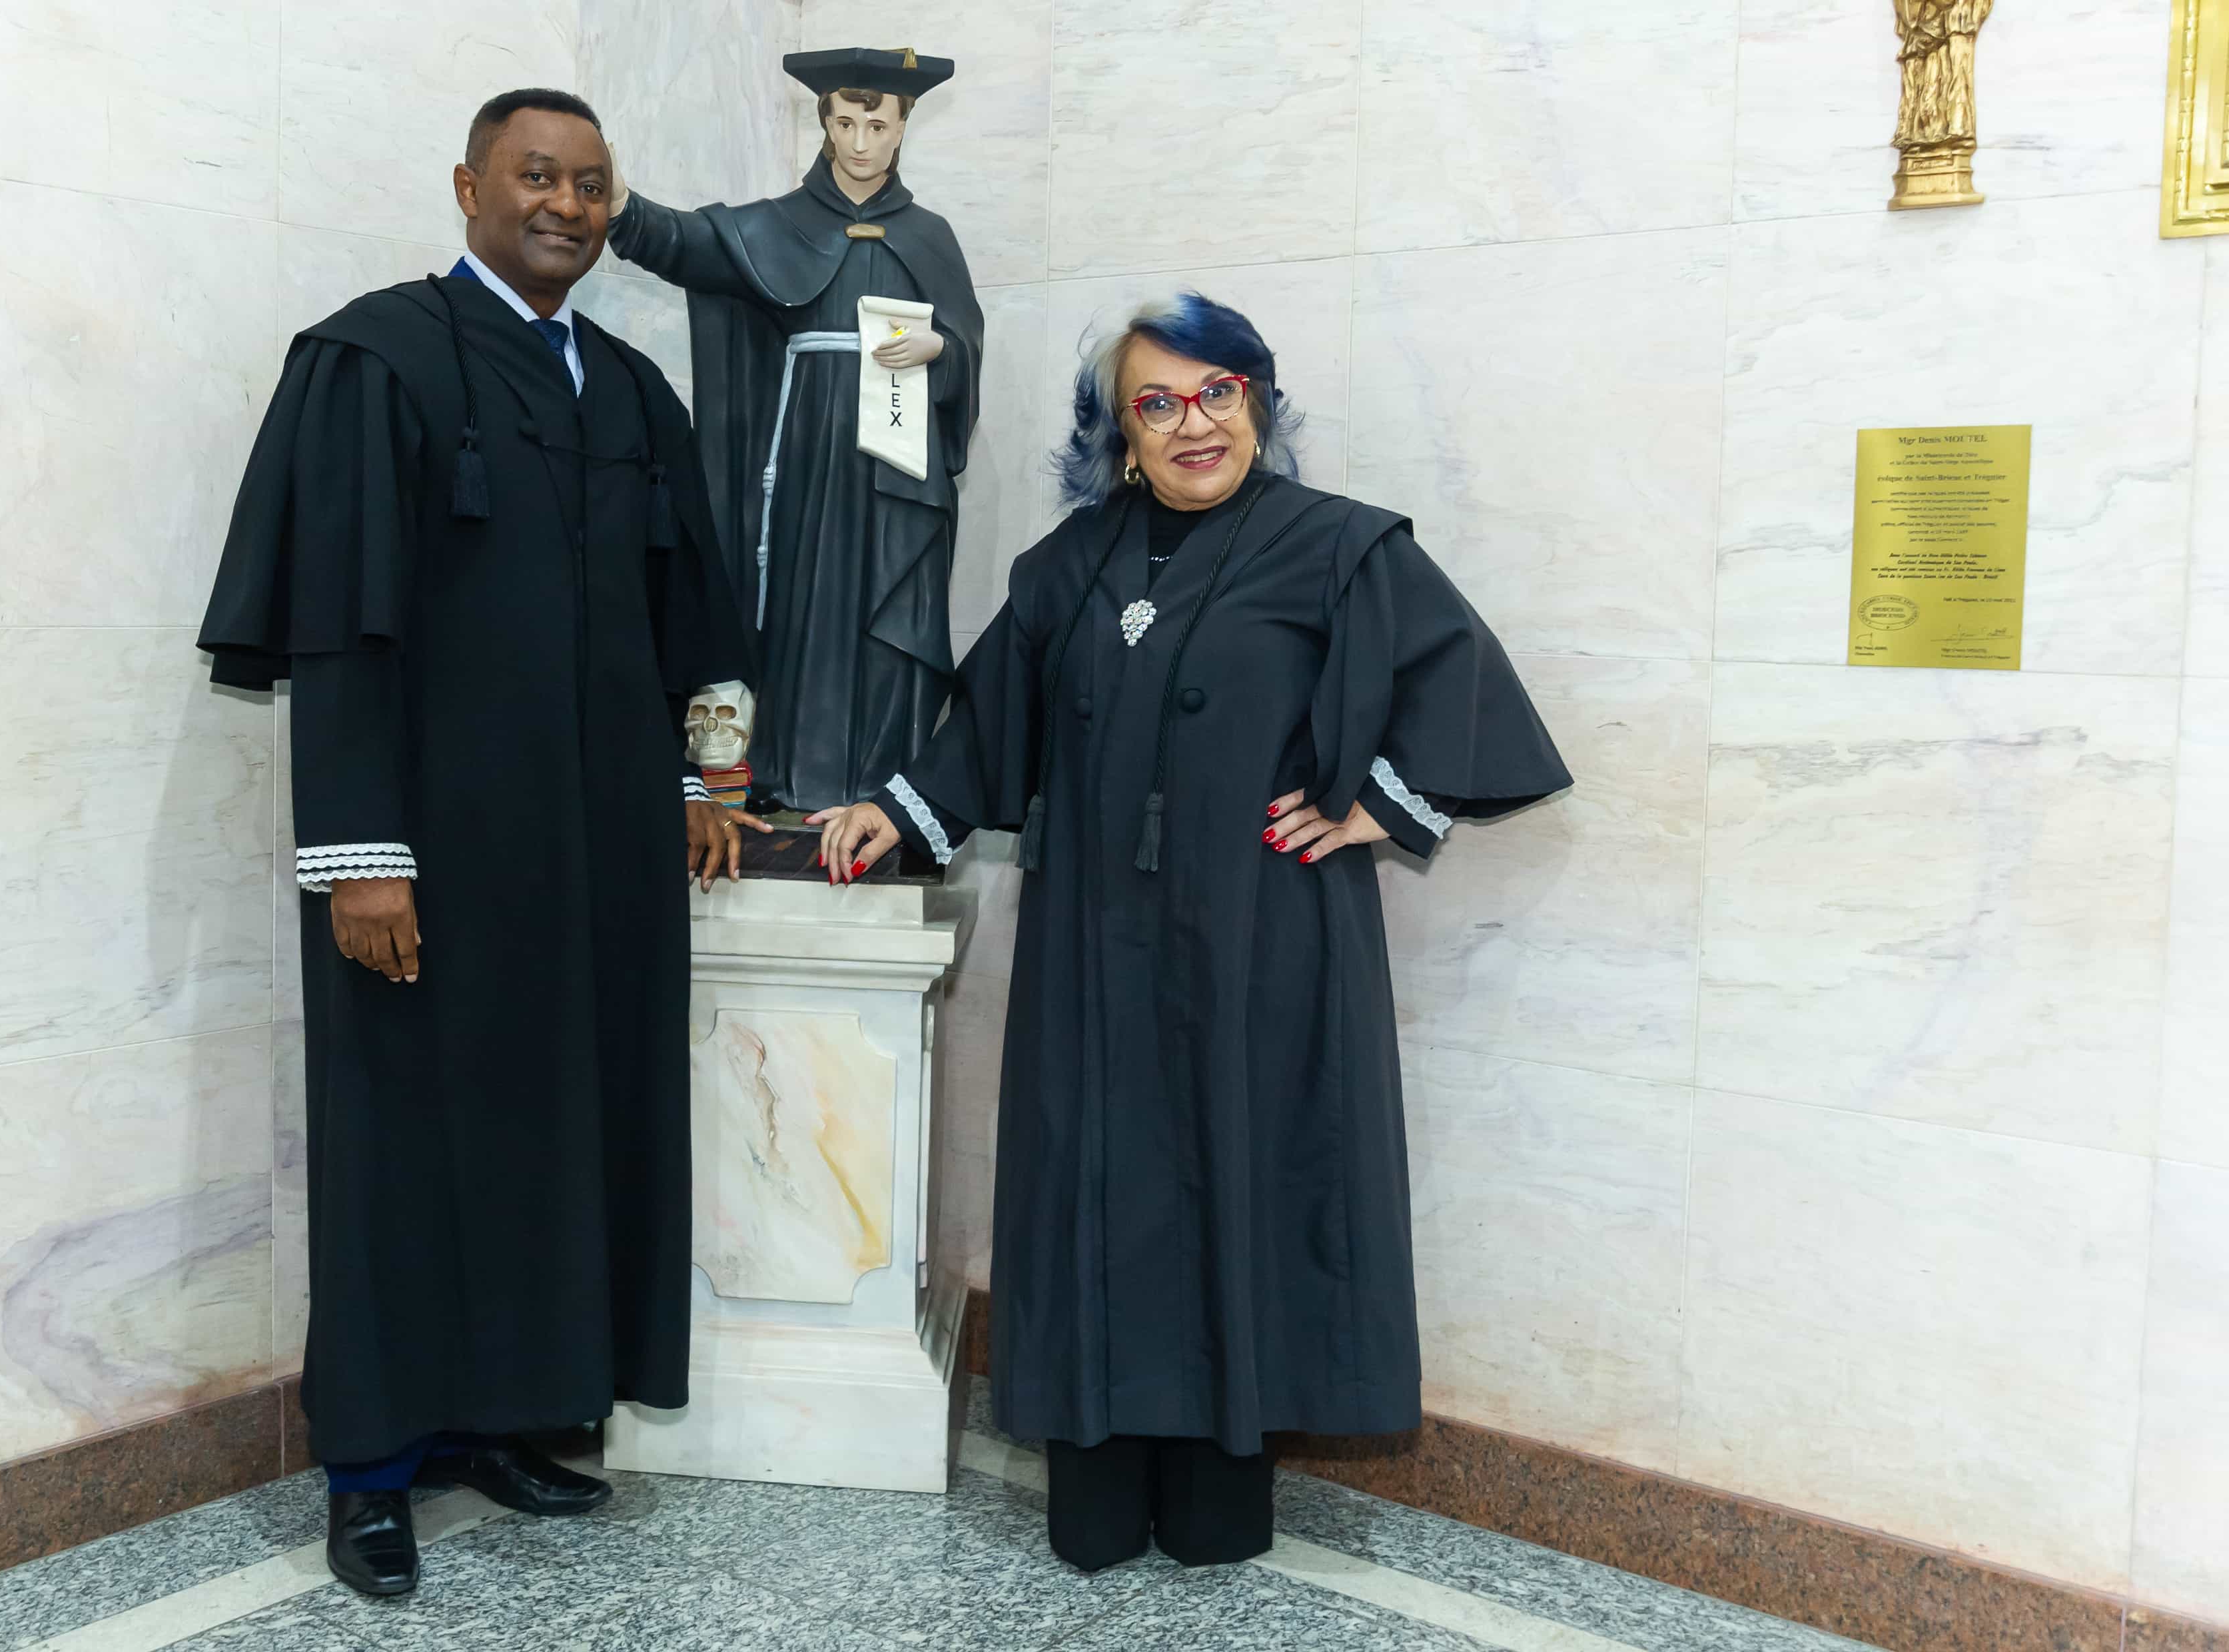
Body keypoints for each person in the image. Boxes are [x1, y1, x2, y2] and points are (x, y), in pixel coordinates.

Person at [809, 296, 1572, 1571]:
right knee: (1097, 1188)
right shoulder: (1069, 565)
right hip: (1090, 953)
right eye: (1155, 403)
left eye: (1217, 392)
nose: (1192, 424)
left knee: (1239, 1183)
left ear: (1258, 402)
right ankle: (1101, 1484)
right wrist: (899, 808)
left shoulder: (1341, 549)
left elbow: (1469, 693)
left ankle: (1220, 1492)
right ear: (1118, 431)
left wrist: (1375, 808)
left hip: (1264, 946)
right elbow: (991, 723)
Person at [195, 88, 761, 1597]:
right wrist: (357, 855)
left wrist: (701, 781)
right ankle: (374, 1468)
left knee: (557, 1130)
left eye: (592, 184)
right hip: (429, 856)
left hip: (595, 858)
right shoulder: (376, 361)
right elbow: (340, 631)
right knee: (402, 1142)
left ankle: (505, 1416)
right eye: (536, 176)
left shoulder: (630, 392)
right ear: (467, 187)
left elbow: (683, 622)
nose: (567, 205)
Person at [606, 47, 984, 811]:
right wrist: (621, 205)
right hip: (804, 455)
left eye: (877, 125)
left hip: (896, 470)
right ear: (825, 123)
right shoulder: (780, 225)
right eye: (844, 123)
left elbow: (965, 344)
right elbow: (689, 243)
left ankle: (879, 789)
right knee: (795, 605)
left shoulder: (930, 236)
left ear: (903, 126)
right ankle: (782, 773)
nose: (859, 142)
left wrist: (941, 349)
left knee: (890, 612)